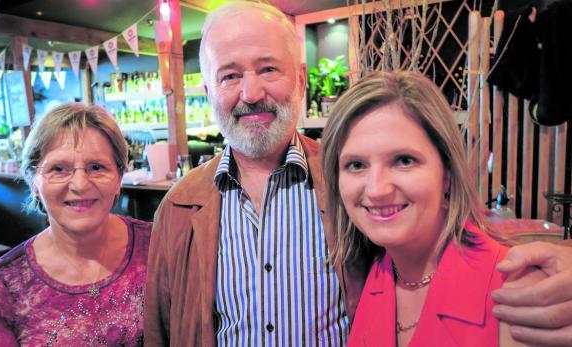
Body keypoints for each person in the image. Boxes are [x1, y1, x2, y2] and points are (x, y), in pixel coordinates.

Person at [144, 2, 572, 346]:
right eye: (230, 75)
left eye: (268, 69)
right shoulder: (179, 208)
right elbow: (161, 327)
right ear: (208, 92)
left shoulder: (344, 184)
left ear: (300, 78)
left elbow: (457, 239)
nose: (251, 93)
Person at [321, 70, 547, 346]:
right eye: (356, 165)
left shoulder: (517, 289)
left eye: (404, 160)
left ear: (447, 173)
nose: (377, 189)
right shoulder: (376, 271)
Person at [0, 103, 151, 346]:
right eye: (58, 169)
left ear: (119, 178)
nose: (79, 184)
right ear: (34, 182)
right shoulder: (2, 285)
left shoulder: (158, 246)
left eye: (97, 167)